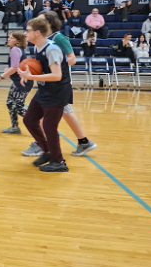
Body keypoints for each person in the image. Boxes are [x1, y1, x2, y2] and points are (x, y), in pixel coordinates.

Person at [25, 11, 97, 158]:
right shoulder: (40, 41)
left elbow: (72, 59)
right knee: (65, 112)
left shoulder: (59, 38)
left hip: (59, 83)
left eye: (40, 20)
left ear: (48, 23)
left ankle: (43, 146)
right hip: (49, 83)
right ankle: (83, 141)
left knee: (50, 117)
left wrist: (53, 64)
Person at [18, 17, 71, 173]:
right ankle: (47, 151)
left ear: (37, 32)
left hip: (58, 92)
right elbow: (40, 69)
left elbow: (56, 75)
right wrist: (26, 75)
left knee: (49, 127)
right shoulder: (37, 48)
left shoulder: (52, 49)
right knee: (29, 119)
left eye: (27, 30)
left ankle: (59, 161)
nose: (24, 33)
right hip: (44, 91)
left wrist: (31, 77)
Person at [0, 31, 33, 135]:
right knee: (10, 103)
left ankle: (35, 121)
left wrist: (2, 76)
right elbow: (15, 66)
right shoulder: (16, 49)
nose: (8, 39)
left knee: (18, 106)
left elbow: (15, 67)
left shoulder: (15, 50)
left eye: (11, 38)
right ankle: (15, 127)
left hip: (23, 82)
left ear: (17, 41)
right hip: (17, 81)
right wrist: (8, 69)